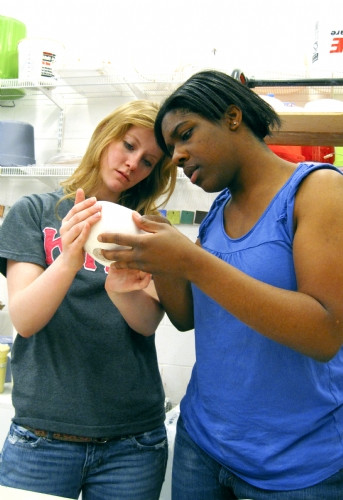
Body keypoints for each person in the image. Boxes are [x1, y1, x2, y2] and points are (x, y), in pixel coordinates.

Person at [98, 70, 343, 500]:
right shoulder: (217, 212)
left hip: (295, 465)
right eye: (171, 148)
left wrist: (192, 261)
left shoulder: (318, 190)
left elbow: (325, 333)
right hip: (203, 448)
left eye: (185, 135)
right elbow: (188, 319)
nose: (176, 156)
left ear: (232, 116)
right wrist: (160, 260)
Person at [0, 100, 177, 500]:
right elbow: (24, 319)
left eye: (149, 161)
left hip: (131, 443)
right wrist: (68, 260)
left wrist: (119, 289)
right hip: (42, 437)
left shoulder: (148, 228)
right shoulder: (34, 212)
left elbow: (146, 323)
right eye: (128, 145)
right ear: (105, 136)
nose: (134, 163)